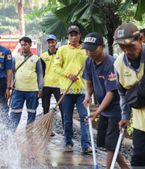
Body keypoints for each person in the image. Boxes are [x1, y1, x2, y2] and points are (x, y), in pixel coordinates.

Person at [82, 32, 129, 169]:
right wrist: (87, 96)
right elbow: (89, 82)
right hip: (104, 108)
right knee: (104, 142)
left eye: (92, 49)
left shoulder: (111, 63)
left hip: (116, 108)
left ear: (102, 47)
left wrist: (97, 112)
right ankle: (125, 167)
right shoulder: (89, 61)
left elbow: (111, 94)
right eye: (87, 49)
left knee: (110, 144)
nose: (89, 52)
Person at [114, 22, 145, 167]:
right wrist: (125, 116)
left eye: (130, 46)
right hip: (142, 120)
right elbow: (122, 93)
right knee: (138, 158)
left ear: (140, 39)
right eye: (122, 47)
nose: (126, 51)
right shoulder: (119, 63)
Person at [55, 25, 91, 154]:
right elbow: (56, 67)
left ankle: (86, 145)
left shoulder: (86, 50)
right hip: (67, 89)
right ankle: (68, 142)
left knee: (84, 117)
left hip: (82, 89)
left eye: (76, 35)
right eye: (71, 35)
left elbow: (90, 67)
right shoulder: (62, 50)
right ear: (68, 37)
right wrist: (68, 74)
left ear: (80, 35)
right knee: (67, 117)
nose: (74, 37)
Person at [9, 36, 43, 132]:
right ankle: (11, 132)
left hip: (32, 90)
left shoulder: (36, 59)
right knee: (15, 112)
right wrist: (11, 84)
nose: (23, 47)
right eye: (22, 45)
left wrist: (40, 89)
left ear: (30, 45)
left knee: (32, 112)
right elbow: (11, 72)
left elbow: (40, 75)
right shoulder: (16, 58)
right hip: (18, 90)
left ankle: (29, 132)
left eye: (26, 45)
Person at [40, 34, 63, 136]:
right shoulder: (43, 56)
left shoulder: (61, 54)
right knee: (45, 107)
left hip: (59, 85)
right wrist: (40, 86)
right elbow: (41, 72)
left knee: (63, 107)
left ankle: (65, 129)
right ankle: (48, 129)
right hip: (46, 85)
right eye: (49, 42)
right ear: (47, 44)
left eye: (53, 42)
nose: (51, 44)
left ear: (56, 42)